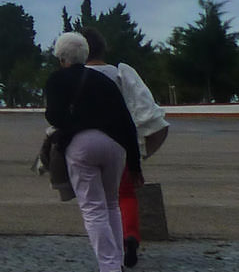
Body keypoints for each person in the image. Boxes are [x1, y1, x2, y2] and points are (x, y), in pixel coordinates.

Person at [46, 32, 141, 272]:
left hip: (82, 145)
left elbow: (54, 116)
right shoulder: (105, 82)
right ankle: (117, 261)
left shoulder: (57, 80)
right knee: (112, 205)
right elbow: (127, 122)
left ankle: (109, 266)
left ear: (61, 57)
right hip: (115, 146)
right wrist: (135, 164)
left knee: (93, 209)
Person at [83, 29, 168, 268]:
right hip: (120, 144)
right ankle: (129, 237)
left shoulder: (75, 76)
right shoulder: (119, 73)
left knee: (95, 203)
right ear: (103, 49)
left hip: (85, 146)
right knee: (125, 196)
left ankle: (108, 255)